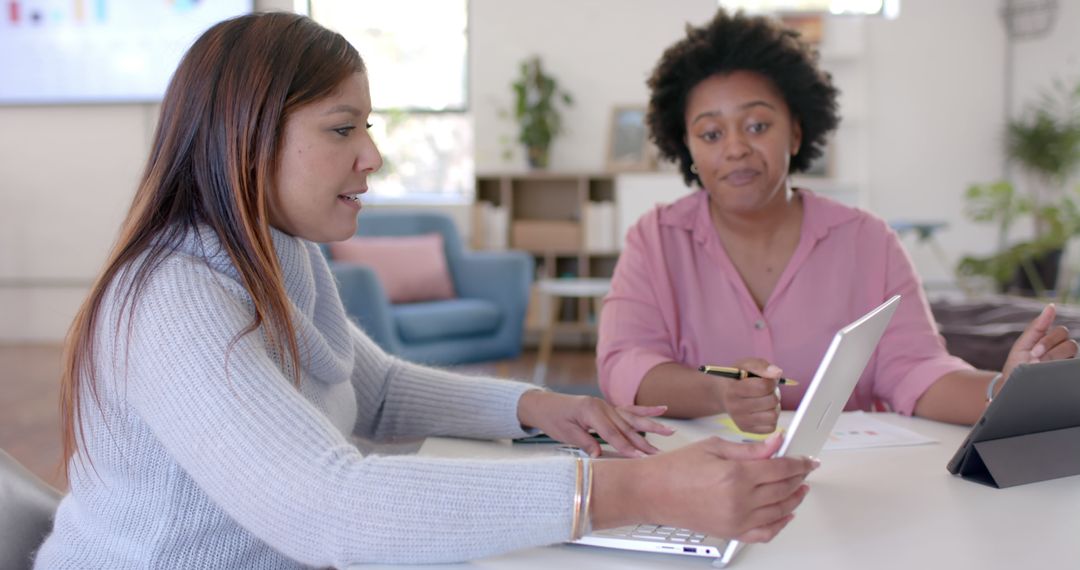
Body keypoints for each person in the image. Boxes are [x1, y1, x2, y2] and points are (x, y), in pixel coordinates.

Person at [35, 13, 818, 568]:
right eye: (344, 129)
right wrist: (635, 489)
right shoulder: (173, 296)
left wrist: (537, 407)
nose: (371, 155)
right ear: (247, 135)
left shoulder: (280, 250)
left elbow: (371, 387)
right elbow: (331, 509)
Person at [597, 8, 1078, 432]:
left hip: (845, 488)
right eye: (710, 133)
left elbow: (915, 369)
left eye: (758, 125)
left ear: (796, 130)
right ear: (688, 149)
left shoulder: (868, 240)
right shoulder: (656, 240)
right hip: (700, 484)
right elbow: (625, 365)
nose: (736, 147)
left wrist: (1002, 388)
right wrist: (720, 392)